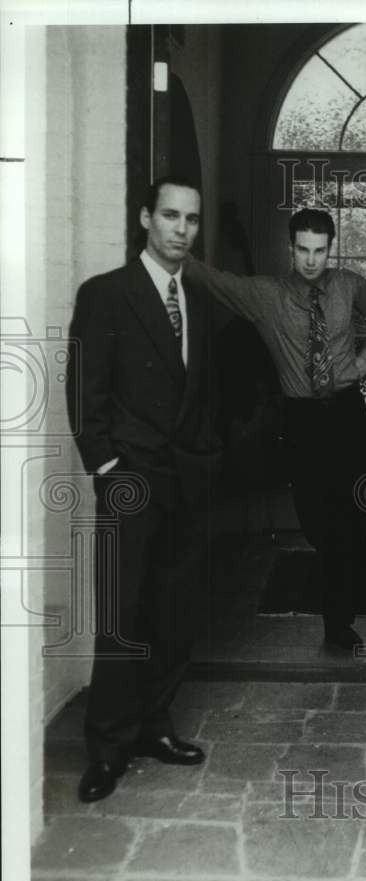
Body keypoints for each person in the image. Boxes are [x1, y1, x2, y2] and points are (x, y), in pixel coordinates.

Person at [66, 176, 222, 803]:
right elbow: (84, 391)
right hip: (130, 483)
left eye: (191, 219)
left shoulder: (202, 300)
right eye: (169, 216)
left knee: (174, 614)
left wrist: (211, 458)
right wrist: (106, 469)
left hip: (186, 482)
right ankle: (107, 748)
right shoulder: (106, 295)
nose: (181, 229)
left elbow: (209, 391)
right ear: (144, 219)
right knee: (123, 619)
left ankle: (155, 727)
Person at [184, 209, 366, 650]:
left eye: (320, 250)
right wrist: (169, 246)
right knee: (319, 525)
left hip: (345, 415)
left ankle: (338, 627)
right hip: (302, 421)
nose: (312, 260)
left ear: (330, 249)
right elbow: (214, 279)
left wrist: (362, 360)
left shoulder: (349, 285)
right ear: (290, 248)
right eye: (303, 250)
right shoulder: (265, 296)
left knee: (349, 518)